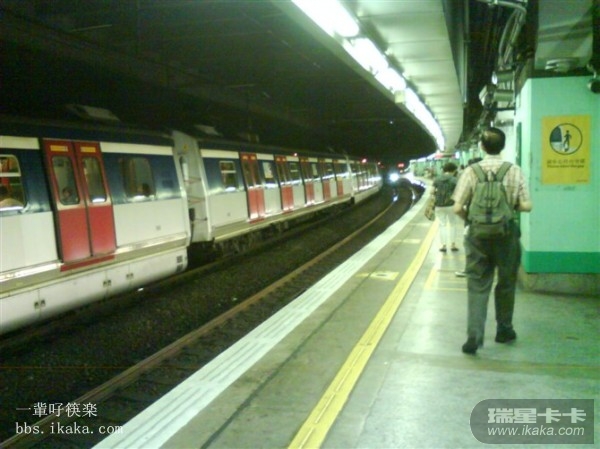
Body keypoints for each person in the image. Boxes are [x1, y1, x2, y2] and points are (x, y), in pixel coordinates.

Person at [452, 128, 532, 355]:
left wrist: (471, 220)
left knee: (477, 284)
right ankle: (504, 330)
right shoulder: (514, 170)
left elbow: (457, 207)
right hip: (506, 236)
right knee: (506, 282)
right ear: (503, 146)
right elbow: (527, 206)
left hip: (477, 237)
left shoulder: (471, 171)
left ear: (482, 147)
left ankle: (474, 336)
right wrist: (509, 208)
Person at [454, 157, 482, 277]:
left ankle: (470, 270)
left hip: (474, 221)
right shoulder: (499, 176)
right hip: (498, 223)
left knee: (470, 246)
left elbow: (457, 208)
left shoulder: (469, 178)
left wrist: (468, 219)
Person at [433, 162, 459, 252]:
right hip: (451, 205)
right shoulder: (454, 179)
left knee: (442, 225)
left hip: (439, 205)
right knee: (452, 224)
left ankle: (443, 246)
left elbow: (431, 191)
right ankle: (453, 245)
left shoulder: (437, 179)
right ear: (453, 170)